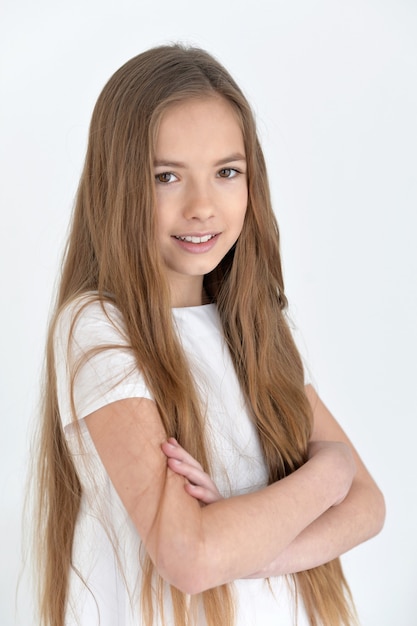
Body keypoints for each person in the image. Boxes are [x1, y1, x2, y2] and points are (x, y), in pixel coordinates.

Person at [34, 44, 385, 626]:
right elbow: (192, 558)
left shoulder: (255, 327)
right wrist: (331, 471)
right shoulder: (99, 326)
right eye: (167, 176)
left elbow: (369, 508)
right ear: (116, 186)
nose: (203, 206)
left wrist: (246, 543)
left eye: (227, 172)